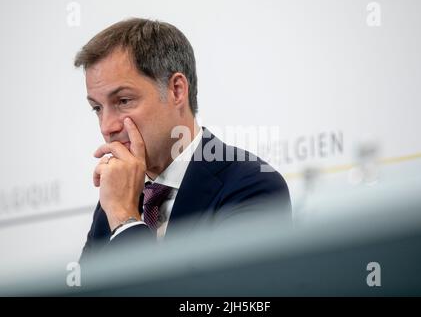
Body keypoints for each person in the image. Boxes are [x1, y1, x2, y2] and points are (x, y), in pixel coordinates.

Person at [74, 18, 291, 263]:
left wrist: (125, 220)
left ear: (177, 90)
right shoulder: (114, 201)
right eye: (97, 108)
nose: (107, 127)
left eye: (123, 101)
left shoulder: (253, 187)